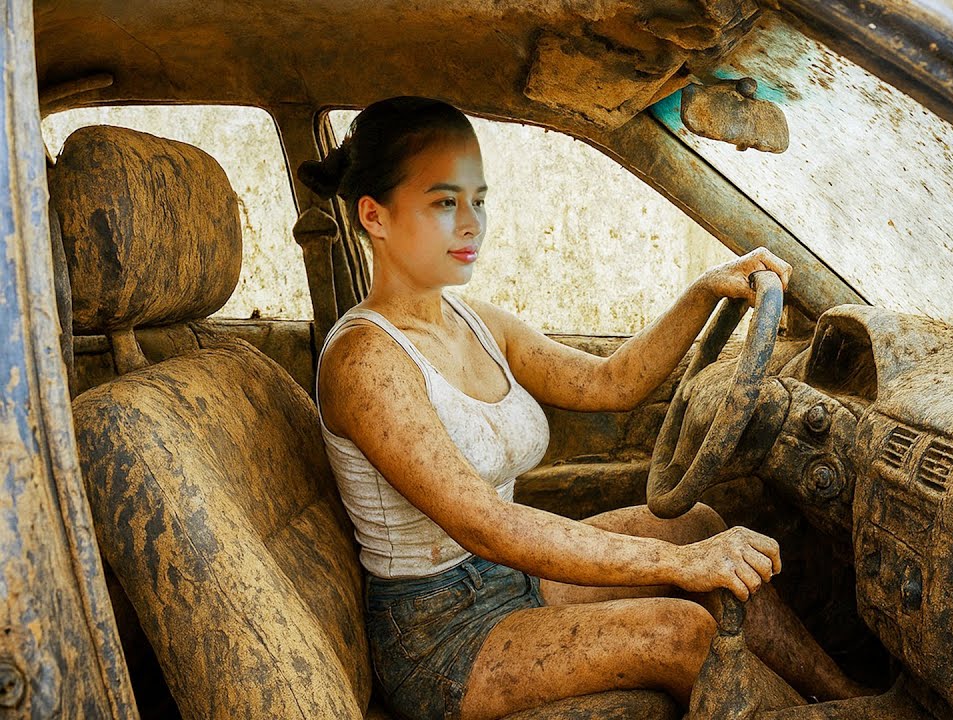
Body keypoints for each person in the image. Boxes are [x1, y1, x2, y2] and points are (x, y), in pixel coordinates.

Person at [303, 96, 861, 720]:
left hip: (507, 576)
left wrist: (705, 290)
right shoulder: (365, 361)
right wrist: (680, 565)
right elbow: (486, 524)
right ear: (375, 216)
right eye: (443, 203)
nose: (471, 224)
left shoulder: (473, 321)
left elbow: (609, 383)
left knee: (698, 524)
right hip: (439, 634)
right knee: (682, 633)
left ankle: (852, 702)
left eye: (478, 200)